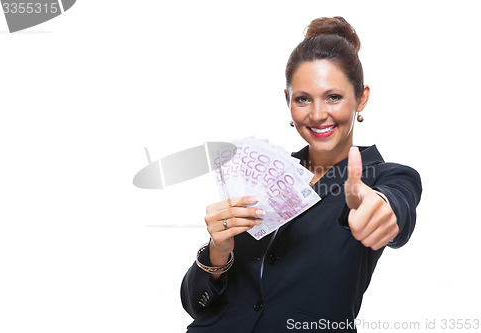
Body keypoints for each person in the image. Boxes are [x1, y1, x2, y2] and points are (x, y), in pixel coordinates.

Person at [180, 16, 422, 332]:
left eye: (333, 96)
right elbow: (195, 305)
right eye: (303, 99)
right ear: (288, 101)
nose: (318, 114)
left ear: (361, 98)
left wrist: (383, 210)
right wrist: (217, 252)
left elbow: (396, 208)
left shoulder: (388, 177)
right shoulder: (261, 173)